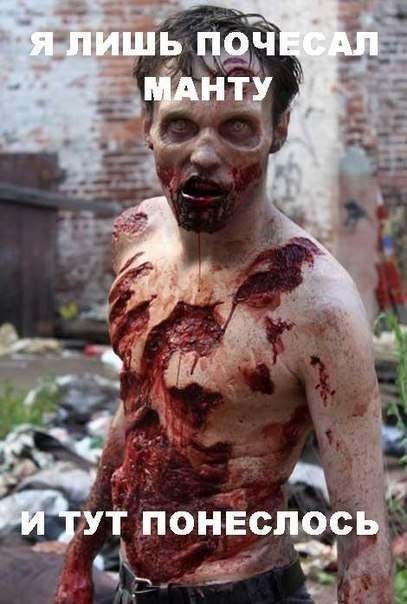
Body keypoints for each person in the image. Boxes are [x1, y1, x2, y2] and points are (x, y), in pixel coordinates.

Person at [55, 6, 393, 603]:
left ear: (278, 130)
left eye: (237, 127)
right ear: (148, 125)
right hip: (132, 585)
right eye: (180, 126)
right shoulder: (134, 240)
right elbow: (138, 409)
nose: (205, 155)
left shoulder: (317, 307)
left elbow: (362, 537)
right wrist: (81, 556)